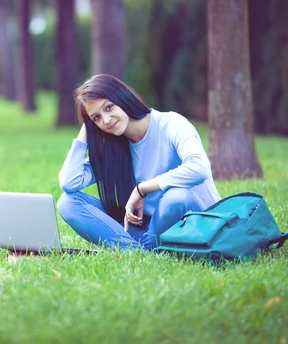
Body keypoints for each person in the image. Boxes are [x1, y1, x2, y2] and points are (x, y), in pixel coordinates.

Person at [57, 74, 221, 250]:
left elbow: (199, 167)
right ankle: (138, 252)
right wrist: (86, 133)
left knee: (176, 197)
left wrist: (142, 189)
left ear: (122, 97)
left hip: (195, 222)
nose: (106, 120)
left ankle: (147, 248)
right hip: (148, 230)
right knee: (67, 203)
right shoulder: (113, 148)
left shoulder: (171, 124)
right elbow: (69, 182)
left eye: (109, 107)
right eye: (96, 117)